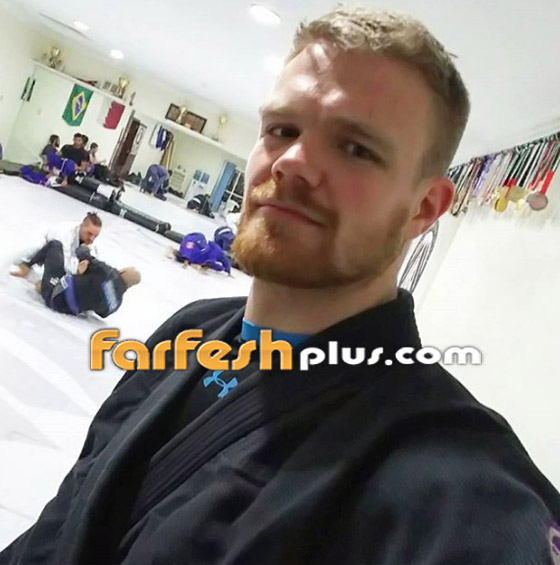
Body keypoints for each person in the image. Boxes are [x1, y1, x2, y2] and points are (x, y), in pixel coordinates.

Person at [2, 8, 560, 565]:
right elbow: (65, 517)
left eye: (356, 148)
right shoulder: (191, 330)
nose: (292, 162)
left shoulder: (453, 484)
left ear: (424, 208)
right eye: (282, 130)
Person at [30, 240, 140, 318]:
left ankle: (26, 266)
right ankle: (45, 284)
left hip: (55, 294)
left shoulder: (108, 272)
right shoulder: (116, 304)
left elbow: (81, 253)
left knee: (55, 245)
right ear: (130, 286)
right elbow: (102, 313)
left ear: (123, 271)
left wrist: (86, 248)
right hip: (67, 310)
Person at [11, 212, 102, 278]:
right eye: (89, 234)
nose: (92, 238)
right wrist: (78, 269)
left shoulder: (92, 245)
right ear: (82, 226)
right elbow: (63, 262)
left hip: (63, 262)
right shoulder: (64, 233)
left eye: (95, 236)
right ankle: (25, 266)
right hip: (43, 252)